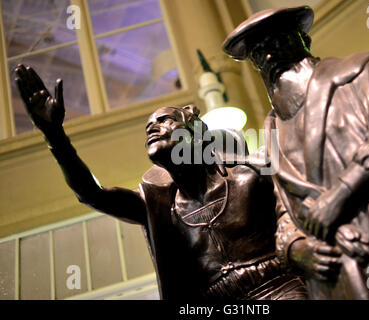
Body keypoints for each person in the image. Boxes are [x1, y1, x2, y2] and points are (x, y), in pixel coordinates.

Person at [14, 63, 342, 300]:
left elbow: (305, 196)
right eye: (148, 128)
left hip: (278, 288)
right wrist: (54, 135)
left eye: (164, 121)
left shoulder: (249, 172)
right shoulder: (158, 206)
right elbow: (92, 193)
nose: (152, 129)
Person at [223, 6, 369, 299]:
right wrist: (296, 248)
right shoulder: (271, 134)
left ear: (302, 41)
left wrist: (343, 191)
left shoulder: (360, 72)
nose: (268, 57)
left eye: (276, 42)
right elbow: (285, 210)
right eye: (257, 53)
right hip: (342, 273)